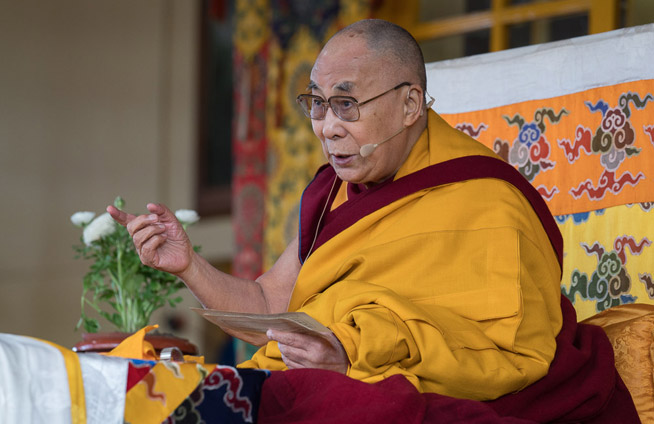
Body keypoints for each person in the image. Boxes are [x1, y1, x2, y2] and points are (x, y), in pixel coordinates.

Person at [109, 19, 637, 418]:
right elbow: (272, 306)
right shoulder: (335, 196)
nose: (327, 128)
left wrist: (350, 357)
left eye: (346, 104)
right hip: (322, 383)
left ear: (410, 105)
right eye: (316, 104)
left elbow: (513, 352)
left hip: (390, 392)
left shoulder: (486, 200)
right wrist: (188, 266)